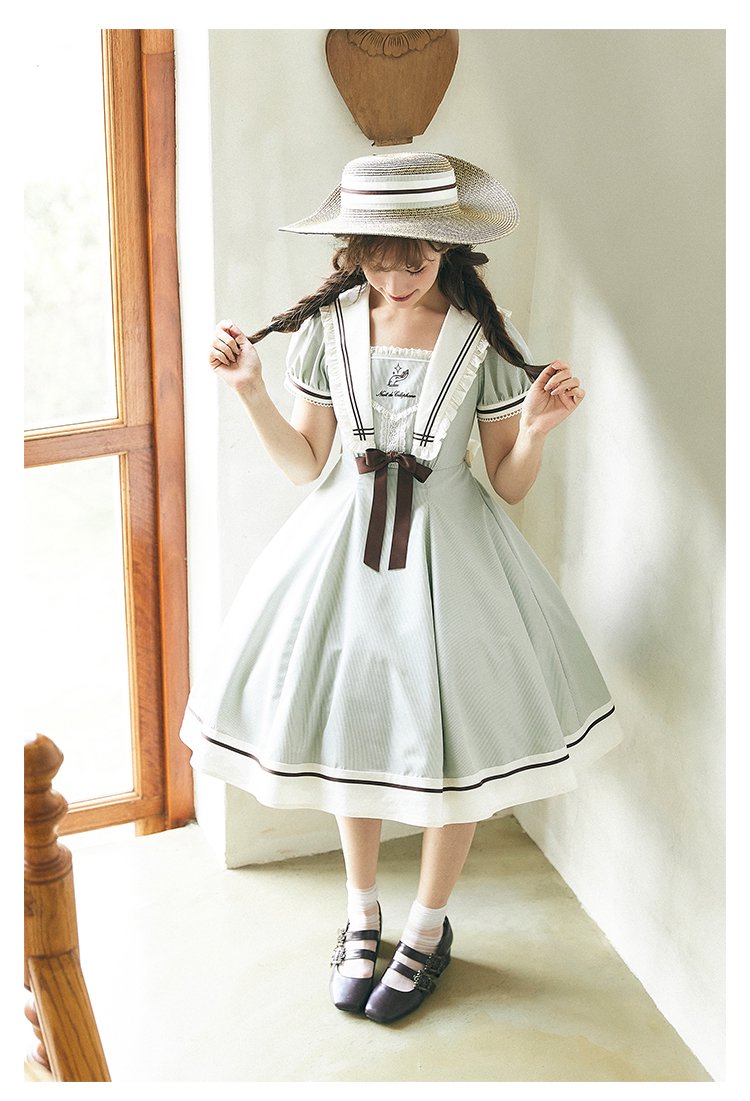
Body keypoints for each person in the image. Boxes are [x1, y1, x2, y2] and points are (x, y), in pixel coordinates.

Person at [179, 151, 621, 1024]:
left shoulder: (484, 338)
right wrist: (251, 393)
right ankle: (362, 914)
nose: (395, 277)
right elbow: (306, 465)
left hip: (454, 559)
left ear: (447, 246)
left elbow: (508, 482)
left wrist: (535, 429)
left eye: (413, 258)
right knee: (354, 726)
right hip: (341, 550)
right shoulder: (329, 327)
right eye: (376, 260)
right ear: (352, 252)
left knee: (456, 744)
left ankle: (425, 926)